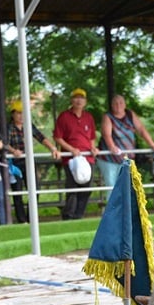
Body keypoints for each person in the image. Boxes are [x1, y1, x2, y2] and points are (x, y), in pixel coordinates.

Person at [5, 100, 60, 223]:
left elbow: (41, 137)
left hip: (28, 161)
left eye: (23, 113)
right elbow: (4, 143)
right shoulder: (9, 128)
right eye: (18, 113)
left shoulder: (29, 126)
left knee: (35, 189)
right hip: (14, 163)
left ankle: (32, 218)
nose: (21, 116)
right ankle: (22, 219)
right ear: (13, 114)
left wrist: (52, 148)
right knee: (17, 191)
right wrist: (13, 150)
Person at [53, 88, 99, 220]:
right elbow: (58, 137)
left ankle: (79, 214)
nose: (79, 100)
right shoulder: (64, 116)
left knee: (87, 187)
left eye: (82, 98)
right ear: (71, 100)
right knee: (73, 186)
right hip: (71, 158)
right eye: (76, 97)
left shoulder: (88, 117)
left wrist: (93, 148)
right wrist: (71, 149)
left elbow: (91, 137)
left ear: (85, 101)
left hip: (87, 157)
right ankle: (68, 215)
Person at [97, 94, 154, 188]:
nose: (118, 105)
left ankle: (126, 203)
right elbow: (107, 135)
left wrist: (153, 145)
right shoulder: (107, 117)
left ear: (125, 104)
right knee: (112, 186)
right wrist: (112, 146)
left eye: (121, 103)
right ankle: (112, 203)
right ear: (112, 105)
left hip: (127, 158)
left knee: (126, 187)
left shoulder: (130, 114)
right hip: (110, 158)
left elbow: (141, 129)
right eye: (115, 103)